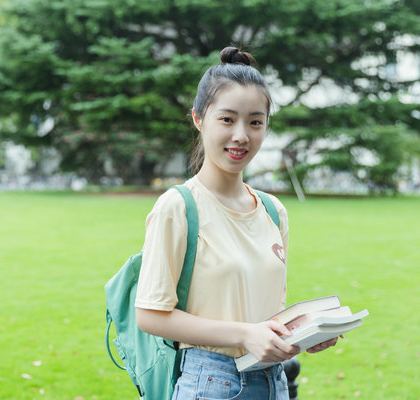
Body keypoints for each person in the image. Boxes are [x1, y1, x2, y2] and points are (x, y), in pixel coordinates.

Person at [135, 47, 338, 399]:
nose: (242, 135)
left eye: (255, 122)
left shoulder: (273, 211)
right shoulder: (178, 207)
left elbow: (265, 314)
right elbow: (151, 315)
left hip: (273, 382)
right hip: (210, 382)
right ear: (198, 118)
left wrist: (303, 333)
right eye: (227, 120)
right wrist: (244, 335)